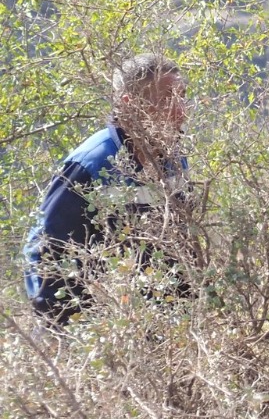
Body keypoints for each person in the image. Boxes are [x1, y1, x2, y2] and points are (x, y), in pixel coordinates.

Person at [23, 54, 189, 323]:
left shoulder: (175, 159)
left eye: (182, 96)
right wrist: (67, 327)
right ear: (129, 104)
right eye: (166, 99)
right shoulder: (92, 163)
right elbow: (47, 253)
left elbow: (182, 244)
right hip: (98, 324)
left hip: (158, 319)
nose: (181, 111)